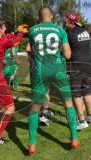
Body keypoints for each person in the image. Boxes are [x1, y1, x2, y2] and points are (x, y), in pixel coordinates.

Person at [27, 6, 79, 155]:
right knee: (68, 103)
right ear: (52, 16)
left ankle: (31, 144)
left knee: (35, 107)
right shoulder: (61, 31)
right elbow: (68, 55)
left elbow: (29, 49)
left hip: (39, 72)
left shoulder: (32, 30)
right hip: (58, 71)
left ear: (39, 16)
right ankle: (74, 138)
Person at [64, 12, 91, 131]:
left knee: (76, 93)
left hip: (77, 66)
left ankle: (81, 121)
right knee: (86, 90)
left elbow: (67, 54)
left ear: (71, 22)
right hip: (88, 64)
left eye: (65, 20)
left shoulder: (69, 33)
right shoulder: (85, 30)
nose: (64, 22)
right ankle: (90, 115)